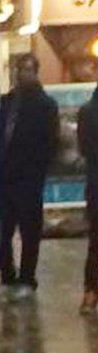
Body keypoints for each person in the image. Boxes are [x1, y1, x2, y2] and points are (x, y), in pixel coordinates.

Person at [0, 53, 59, 296]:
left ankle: (26, 278)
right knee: (2, 232)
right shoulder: (7, 102)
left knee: (29, 232)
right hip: (5, 177)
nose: (22, 74)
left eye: (27, 70)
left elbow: (50, 142)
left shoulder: (45, 105)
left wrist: (37, 170)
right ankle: (8, 275)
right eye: (20, 70)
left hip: (29, 179)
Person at [77, 84, 98, 314]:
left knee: (95, 241)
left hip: (95, 184)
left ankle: (91, 293)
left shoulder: (87, 111)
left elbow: (83, 149)